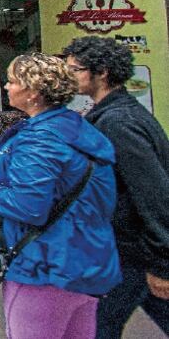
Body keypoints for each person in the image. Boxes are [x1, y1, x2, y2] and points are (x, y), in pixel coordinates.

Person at [0, 52, 121, 339]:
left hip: (44, 265)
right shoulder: (78, 129)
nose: (6, 87)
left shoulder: (39, 140)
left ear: (34, 93)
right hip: (89, 260)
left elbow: (28, 206)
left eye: (12, 81)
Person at [63, 37, 169, 337]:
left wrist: (162, 263)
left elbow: (153, 194)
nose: (68, 76)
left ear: (103, 72)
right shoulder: (114, 114)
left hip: (130, 254)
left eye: (75, 70)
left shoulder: (119, 123)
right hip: (129, 251)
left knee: (97, 326)